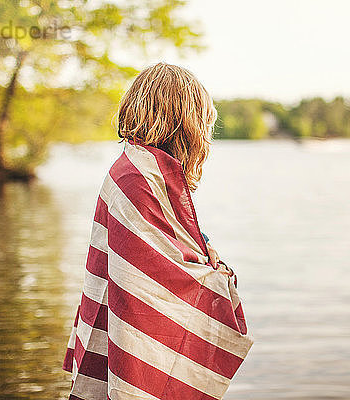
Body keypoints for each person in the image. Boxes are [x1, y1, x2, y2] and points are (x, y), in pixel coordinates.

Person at [62, 62, 253, 400]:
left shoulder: (140, 166)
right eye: (202, 123)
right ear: (184, 121)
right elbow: (154, 275)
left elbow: (165, 252)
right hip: (128, 330)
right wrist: (218, 279)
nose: (205, 135)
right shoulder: (138, 175)